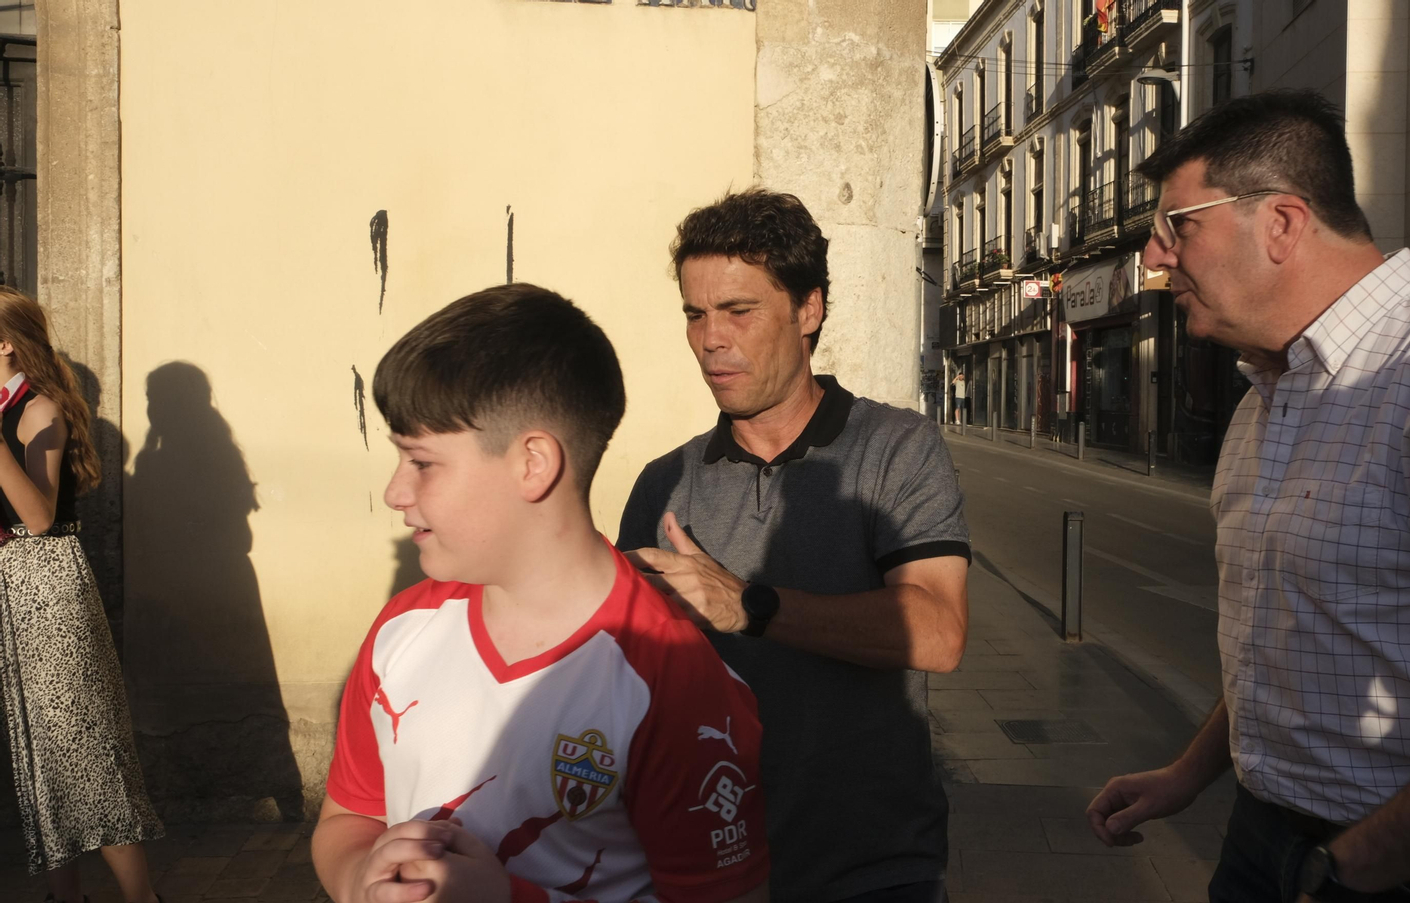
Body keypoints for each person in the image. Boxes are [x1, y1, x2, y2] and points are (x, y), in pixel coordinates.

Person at [1086, 90, 1410, 901]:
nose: (1154, 259)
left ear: (1283, 223)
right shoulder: (1269, 393)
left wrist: (1359, 863)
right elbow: (1296, 631)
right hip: (1269, 838)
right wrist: (1190, 773)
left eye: (1177, 225)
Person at [310, 284, 769, 903]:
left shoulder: (671, 678)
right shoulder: (403, 627)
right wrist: (357, 876)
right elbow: (348, 818)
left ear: (533, 463)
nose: (395, 492)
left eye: (421, 462)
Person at [619, 189, 970, 903]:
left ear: (808, 309)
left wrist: (750, 604)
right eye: (695, 314)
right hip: (706, 867)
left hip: (874, 870)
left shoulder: (896, 449)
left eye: (738, 310)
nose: (712, 338)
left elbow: (938, 632)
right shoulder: (664, 483)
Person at [0, 288, 164, 903]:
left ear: (7, 343)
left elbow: (38, 517)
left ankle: (141, 897)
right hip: (11, 587)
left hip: (45, 580)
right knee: (39, 758)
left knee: (85, 751)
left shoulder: (41, 410)